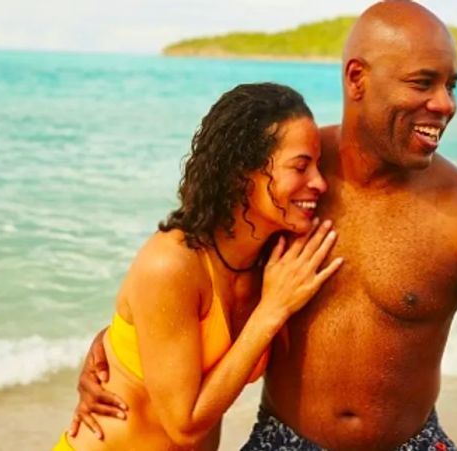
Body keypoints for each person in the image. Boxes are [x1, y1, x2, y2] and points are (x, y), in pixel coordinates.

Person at [71, 2, 457, 450]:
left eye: (451, 85)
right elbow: (191, 263)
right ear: (357, 78)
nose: (445, 104)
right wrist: (111, 352)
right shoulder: (285, 184)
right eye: (422, 83)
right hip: (282, 440)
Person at [54, 82, 344, 450]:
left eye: (318, 166)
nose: (319, 183)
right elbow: (185, 425)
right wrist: (272, 310)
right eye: (300, 166)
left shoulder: (274, 260)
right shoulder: (172, 262)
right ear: (242, 173)